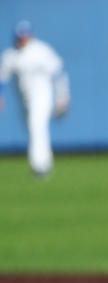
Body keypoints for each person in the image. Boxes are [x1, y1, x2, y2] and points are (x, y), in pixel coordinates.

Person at [0, 21, 70, 178]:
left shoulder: (41, 51)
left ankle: (41, 166)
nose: (23, 40)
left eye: (25, 36)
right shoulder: (11, 55)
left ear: (31, 36)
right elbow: (2, 77)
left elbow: (58, 73)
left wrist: (63, 96)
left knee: (36, 126)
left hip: (42, 95)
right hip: (24, 99)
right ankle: (44, 163)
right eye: (20, 37)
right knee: (31, 129)